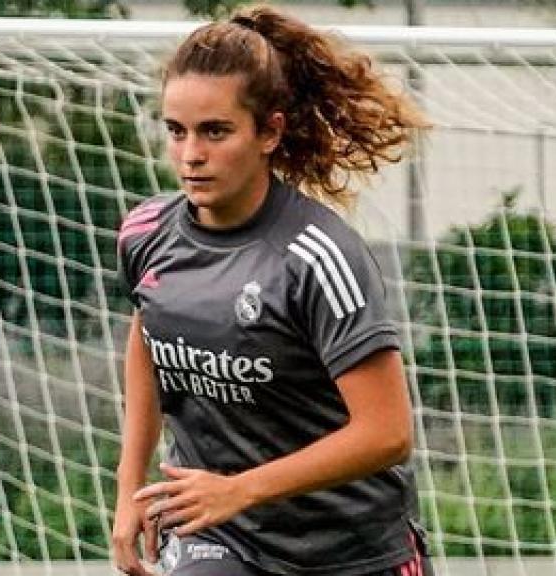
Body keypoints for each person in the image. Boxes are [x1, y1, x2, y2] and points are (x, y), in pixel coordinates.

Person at [112, 5, 430, 575]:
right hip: (223, 536)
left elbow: (387, 433)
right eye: (176, 131)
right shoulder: (145, 234)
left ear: (270, 133)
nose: (191, 155)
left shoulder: (317, 258)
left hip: (350, 552)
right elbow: (149, 335)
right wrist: (129, 486)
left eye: (216, 131)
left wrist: (241, 488)